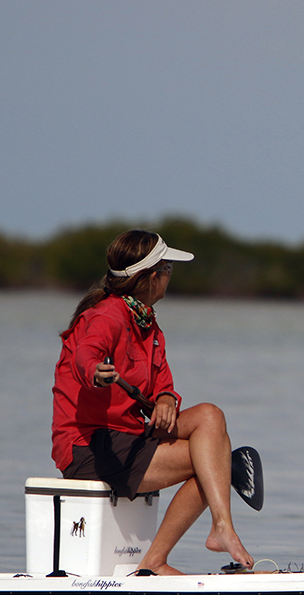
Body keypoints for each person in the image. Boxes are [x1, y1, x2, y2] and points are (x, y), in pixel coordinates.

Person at [51, 229, 253, 575]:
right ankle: (156, 561)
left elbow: (164, 384)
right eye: (169, 270)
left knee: (210, 416)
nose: (170, 279)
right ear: (151, 278)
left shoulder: (148, 325)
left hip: (127, 437)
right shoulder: (107, 315)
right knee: (216, 464)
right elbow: (86, 354)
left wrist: (164, 400)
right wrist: (95, 373)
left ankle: (220, 528)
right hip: (89, 447)